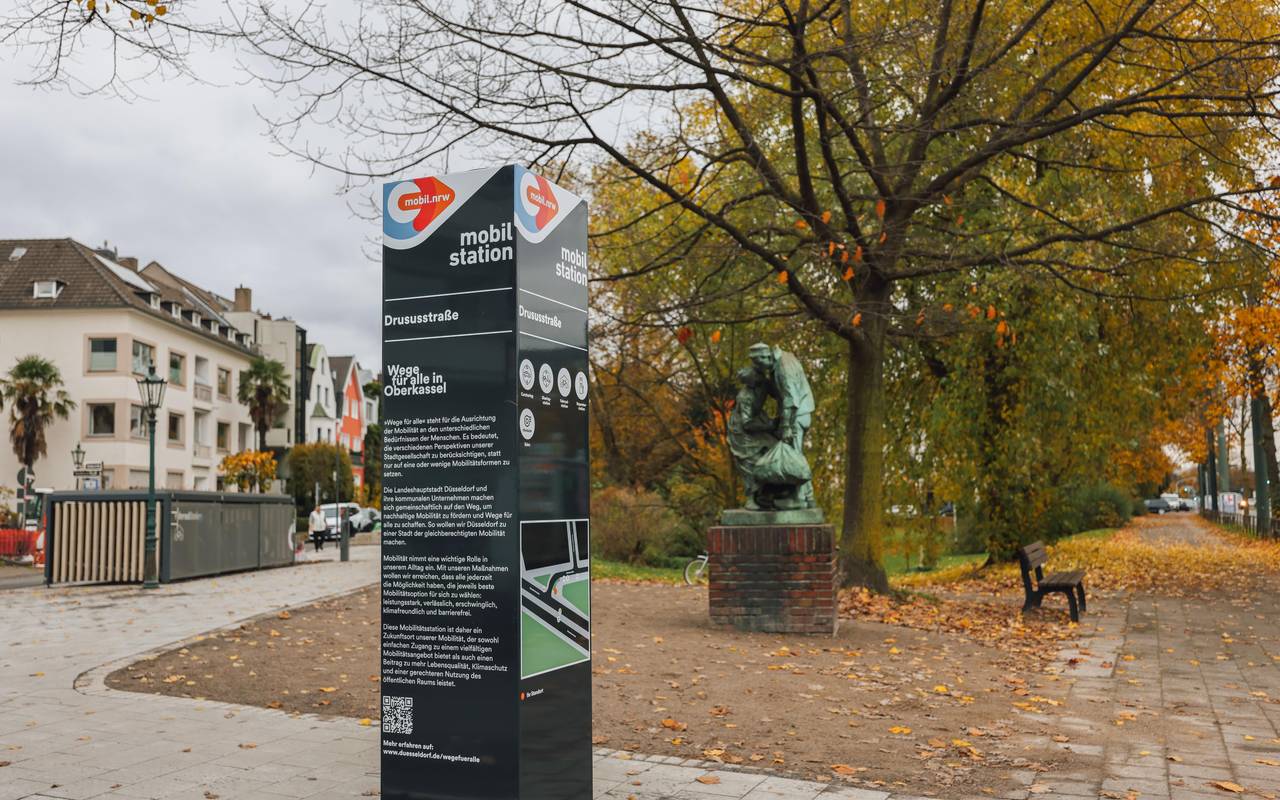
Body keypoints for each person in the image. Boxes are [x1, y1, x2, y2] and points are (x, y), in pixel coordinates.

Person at [748, 342, 816, 508]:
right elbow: (780, 392)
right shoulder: (781, 361)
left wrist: (786, 427)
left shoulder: (783, 366)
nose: (758, 367)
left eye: (758, 363)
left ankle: (800, 498)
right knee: (795, 454)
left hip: (796, 415)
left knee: (794, 457)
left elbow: (790, 398)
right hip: (798, 414)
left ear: (765, 357)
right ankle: (807, 497)